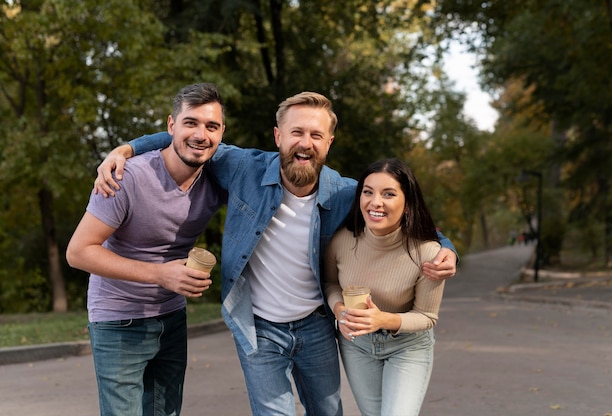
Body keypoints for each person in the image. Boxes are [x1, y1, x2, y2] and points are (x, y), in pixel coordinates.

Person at [94, 92, 458, 416]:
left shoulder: (347, 194)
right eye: (296, 132)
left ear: (329, 143)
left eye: (316, 135)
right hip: (259, 328)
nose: (306, 142)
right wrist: (126, 149)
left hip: (315, 323)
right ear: (278, 136)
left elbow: (413, 223)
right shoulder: (244, 168)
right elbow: (190, 139)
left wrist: (447, 248)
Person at [66, 83, 228, 416]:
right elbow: (79, 251)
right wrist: (160, 274)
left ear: (222, 133)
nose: (201, 134)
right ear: (171, 126)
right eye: (191, 123)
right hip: (118, 319)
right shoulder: (126, 177)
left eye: (212, 126)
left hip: (171, 317)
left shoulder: (216, 178)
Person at [324, 158, 446, 415]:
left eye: (388, 194)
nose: (375, 202)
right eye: (368, 192)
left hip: (408, 346)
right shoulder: (342, 241)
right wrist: (339, 310)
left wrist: (382, 320)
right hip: (357, 345)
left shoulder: (428, 253)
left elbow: (427, 316)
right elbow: (331, 282)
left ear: (408, 204)